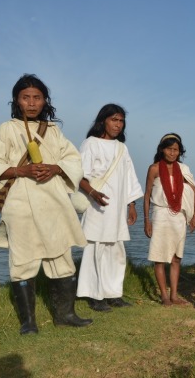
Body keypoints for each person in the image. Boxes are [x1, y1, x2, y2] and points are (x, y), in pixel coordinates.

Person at [0, 74, 92, 335]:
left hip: (54, 203)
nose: (31, 103)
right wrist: (23, 172)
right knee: (22, 259)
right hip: (20, 202)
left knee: (62, 257)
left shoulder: (53, 131)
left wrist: (55, 168)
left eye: (36, 97)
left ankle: (66, 314)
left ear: (44, 101)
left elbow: (74, 161)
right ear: (17, 101)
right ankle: (28, 322)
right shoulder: (7, 129)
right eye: (25, 97)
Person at [76, 104, 143, 312]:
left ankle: (113, 293)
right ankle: (95, 296)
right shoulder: (90, 143)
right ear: (103, 120)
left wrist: (131, 205)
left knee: (116, 251)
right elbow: (79, 175)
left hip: (117, 209)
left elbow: (130, 178)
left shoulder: (122, 148)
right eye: (114, 120)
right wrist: (93, 193)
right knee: (95, 249)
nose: (118, 125)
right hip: (97, 205)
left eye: (121, 121)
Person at [144, 133, 195, 306]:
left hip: (179, 216)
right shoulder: (154, 169)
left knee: (176, 257)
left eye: (176, 150)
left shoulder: (184, 169)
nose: (172, 153)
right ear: (162, 149)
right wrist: (146, 220)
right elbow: (146, 196)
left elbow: (194, 193)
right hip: (160, 214)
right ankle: (164, 296)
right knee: (159, 257)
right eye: (169, 149)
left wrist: (194, 215)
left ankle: (174, 295)